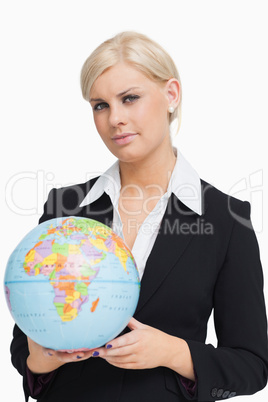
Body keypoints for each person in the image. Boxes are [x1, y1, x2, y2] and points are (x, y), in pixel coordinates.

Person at [10, 31, 268, 402]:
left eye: (130, 98)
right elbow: (26, 350)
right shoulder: (65, 208)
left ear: (171, 95)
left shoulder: (227, 220)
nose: (115, 118)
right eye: (100, 105)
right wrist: (44, 356)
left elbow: (252, 367)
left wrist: (173, 353)